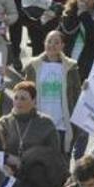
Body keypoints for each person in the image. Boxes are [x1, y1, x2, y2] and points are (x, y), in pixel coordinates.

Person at [0, 81, 66, 187]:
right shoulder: (4, 123)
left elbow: (54, 155)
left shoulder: (46, 123)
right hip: (9, 177)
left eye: (23, 98)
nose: (18, 102)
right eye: (16, 98)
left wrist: (29, 157)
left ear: (34, 101)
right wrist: (6, 158)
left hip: (37, 182)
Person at [23, 30, 82, 158]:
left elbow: (78, 95)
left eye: (56, 42)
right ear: (44, 43)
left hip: (62, 125)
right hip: (38, 125)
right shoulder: (33, 66)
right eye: (49, 41)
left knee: (61, 164)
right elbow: (24, 92)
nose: (52, 45)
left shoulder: (71, 67)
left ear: (62, 45)